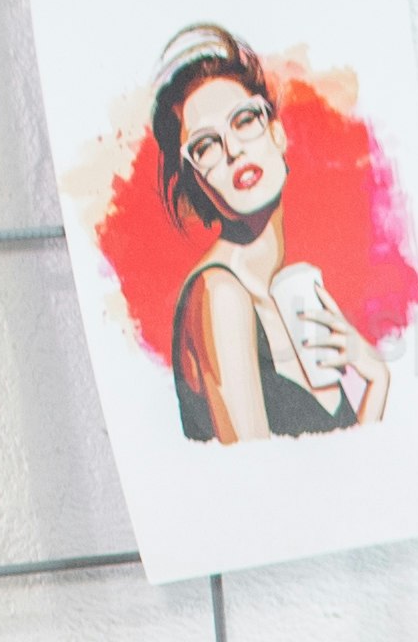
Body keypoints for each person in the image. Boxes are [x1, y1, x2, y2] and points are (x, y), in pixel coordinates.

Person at [145, 27, 378, 445]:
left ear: (276, 133)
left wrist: (377, 380)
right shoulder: (221, 295)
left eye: (245, 120)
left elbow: (347, 480)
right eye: (206, 146)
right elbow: (257, 485)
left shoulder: (283, 294)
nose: (233, 149)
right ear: (196, 181)